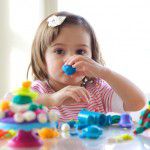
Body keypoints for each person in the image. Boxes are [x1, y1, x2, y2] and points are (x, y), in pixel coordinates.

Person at [27, 11, 146, 122]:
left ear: (92, 57)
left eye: (80, 51)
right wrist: (51, 99)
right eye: (59, 51)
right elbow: (11, 104)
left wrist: (105, 73)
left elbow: (138, 103)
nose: (71, 59)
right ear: (42, 59)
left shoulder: (97, 90)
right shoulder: (38, 91)